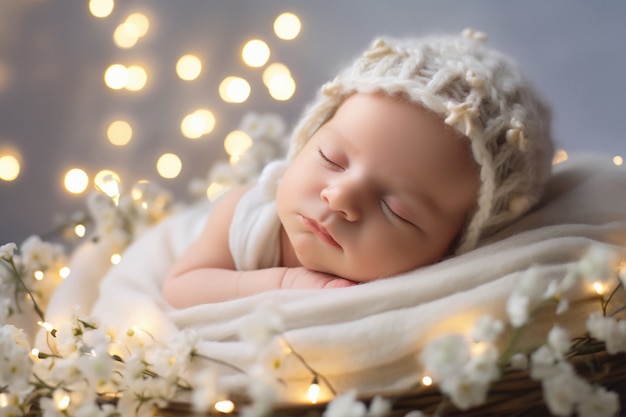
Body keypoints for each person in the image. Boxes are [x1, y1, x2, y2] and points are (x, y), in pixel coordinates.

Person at [162, 29, 554, 308]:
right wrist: (284, 281)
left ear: (455, 246)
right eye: (331, 159)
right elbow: (181, 287)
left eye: (395, 209)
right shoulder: (243, 215)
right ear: (307, 139)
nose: (340, 197)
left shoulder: (421, 295)